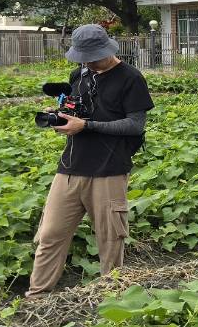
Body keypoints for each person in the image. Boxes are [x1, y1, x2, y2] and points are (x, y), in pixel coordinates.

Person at [26, 24, 154, 297]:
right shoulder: (79, 74)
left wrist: (88, 125)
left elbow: (135, 125)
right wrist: (61, 115)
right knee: (49, 236)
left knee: (110, 240)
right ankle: (36, 298)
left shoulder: (131, 78)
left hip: (109, 171)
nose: (88, 62)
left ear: (108, 49)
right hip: (70, 169)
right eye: (84, 57)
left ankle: (113, 297)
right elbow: (75, 108)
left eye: (93, 57)